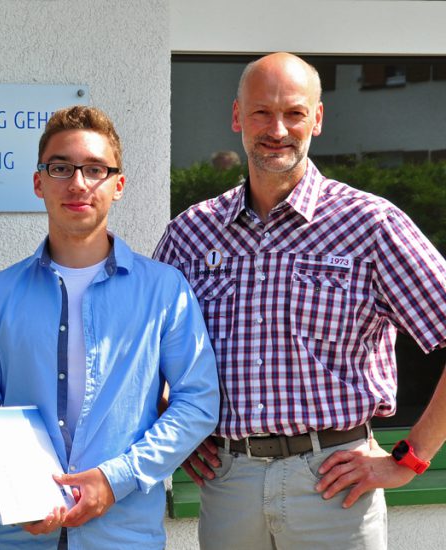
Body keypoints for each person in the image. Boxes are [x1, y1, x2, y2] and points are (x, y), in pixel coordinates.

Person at [154, 51, 446, 549]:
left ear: (318, 118)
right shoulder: (192, 233)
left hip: (334, 485)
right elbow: (143, 352)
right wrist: (175, 429)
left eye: (294, 112)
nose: (278, 129)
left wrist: (412, 456)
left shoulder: (370, 224)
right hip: (229, 482)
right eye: (261, 112)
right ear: (236, 117)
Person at [0, 105, 219, 549]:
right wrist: (15, 491)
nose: (77, 183)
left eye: (95, 169)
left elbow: (198, 402)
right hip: (23, 537)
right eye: (61, 168)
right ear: (38, 182)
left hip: (125, 537)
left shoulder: (165, 291)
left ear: (118, 185)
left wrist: (116, 479)